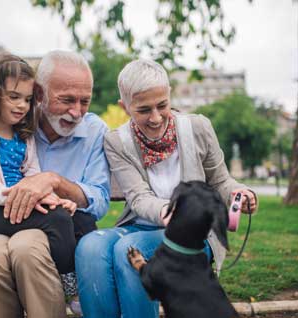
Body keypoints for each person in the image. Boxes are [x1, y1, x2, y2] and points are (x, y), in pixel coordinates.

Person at [75, 59, 258, 318]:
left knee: (127, 250)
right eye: (143, 109)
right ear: (124, 107)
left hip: (190, 236)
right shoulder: (117, 141)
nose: (156, 117)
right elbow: (139, 197)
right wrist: (169, 211)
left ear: (169, 94)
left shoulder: (198, 127)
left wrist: (241, 193)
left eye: (162, 105)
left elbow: (221, 181)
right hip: (142, 224)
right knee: (90, 246)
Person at [0, 50, 110, 318]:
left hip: (43, 221)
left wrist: (53, 184)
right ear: (41, 95)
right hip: (1, 214)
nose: (77, 111)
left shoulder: (89, 131)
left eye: (85, 101)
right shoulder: (15, 120)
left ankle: (66, 293)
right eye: (67, 100)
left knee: (28, 248)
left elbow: (98, 200)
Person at [0, 53, 78, 277]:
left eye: (27, 99)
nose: (22, 106)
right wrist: (19, 197)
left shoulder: (23, 134)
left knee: (66, 215)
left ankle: (49, 276)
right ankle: (66, 280)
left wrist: (51, 198)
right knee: (58, 220)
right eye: (14, 96)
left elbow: (32, 174)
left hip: (22, 205)